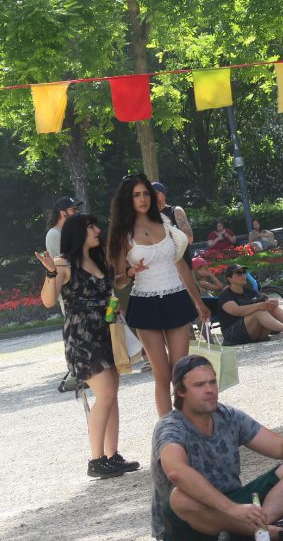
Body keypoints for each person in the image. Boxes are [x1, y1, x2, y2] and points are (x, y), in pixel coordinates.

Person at [151, 355, 283, 541]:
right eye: (199, 385)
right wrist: (232, 509)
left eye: (212, 382)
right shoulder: (170, 426)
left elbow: (281, 446)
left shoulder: (227, 415)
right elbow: (176, 472)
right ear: (180, 391)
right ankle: (266, 533)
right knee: (180, 497)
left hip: (235, 507)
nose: (210, 390)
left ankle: (254, 531)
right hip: (188, 521)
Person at [35, 214, 140, 479]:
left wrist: (128, 275)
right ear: (78, 232)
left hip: (107, 332)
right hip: (83, 338)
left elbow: (109, 288)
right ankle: (96, 459)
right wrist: (50, 272)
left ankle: (112, 455)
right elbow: (48, 300)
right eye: (91, 227)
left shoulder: (98, 259)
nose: (97, 230)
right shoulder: (63, 263)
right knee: (106, 394)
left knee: (111, 395)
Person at [109, 173, 209, 417]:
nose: (142, 199)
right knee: (162, 375)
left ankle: (187, 424)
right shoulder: (122, 233)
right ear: (128, 199)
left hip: (176, 298)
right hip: (145, 303)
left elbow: (182, 267)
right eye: (136, 195)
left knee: (180, 371)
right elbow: (117, 280)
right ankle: (167, 430)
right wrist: (131, 272)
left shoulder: (165, 223)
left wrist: (199, 303)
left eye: (146, 193)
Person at [214, 265, 283, 345]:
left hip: (256, 333)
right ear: (229, 278)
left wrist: (273, 302)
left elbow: (266, 300)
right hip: (234, 335)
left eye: (244, 272)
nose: (243, 275)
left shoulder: (249, 292)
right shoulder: (225, 295)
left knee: (271, 307)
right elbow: (237, 311)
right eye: (239, 273)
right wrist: (259, 305)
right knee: (259, 312)